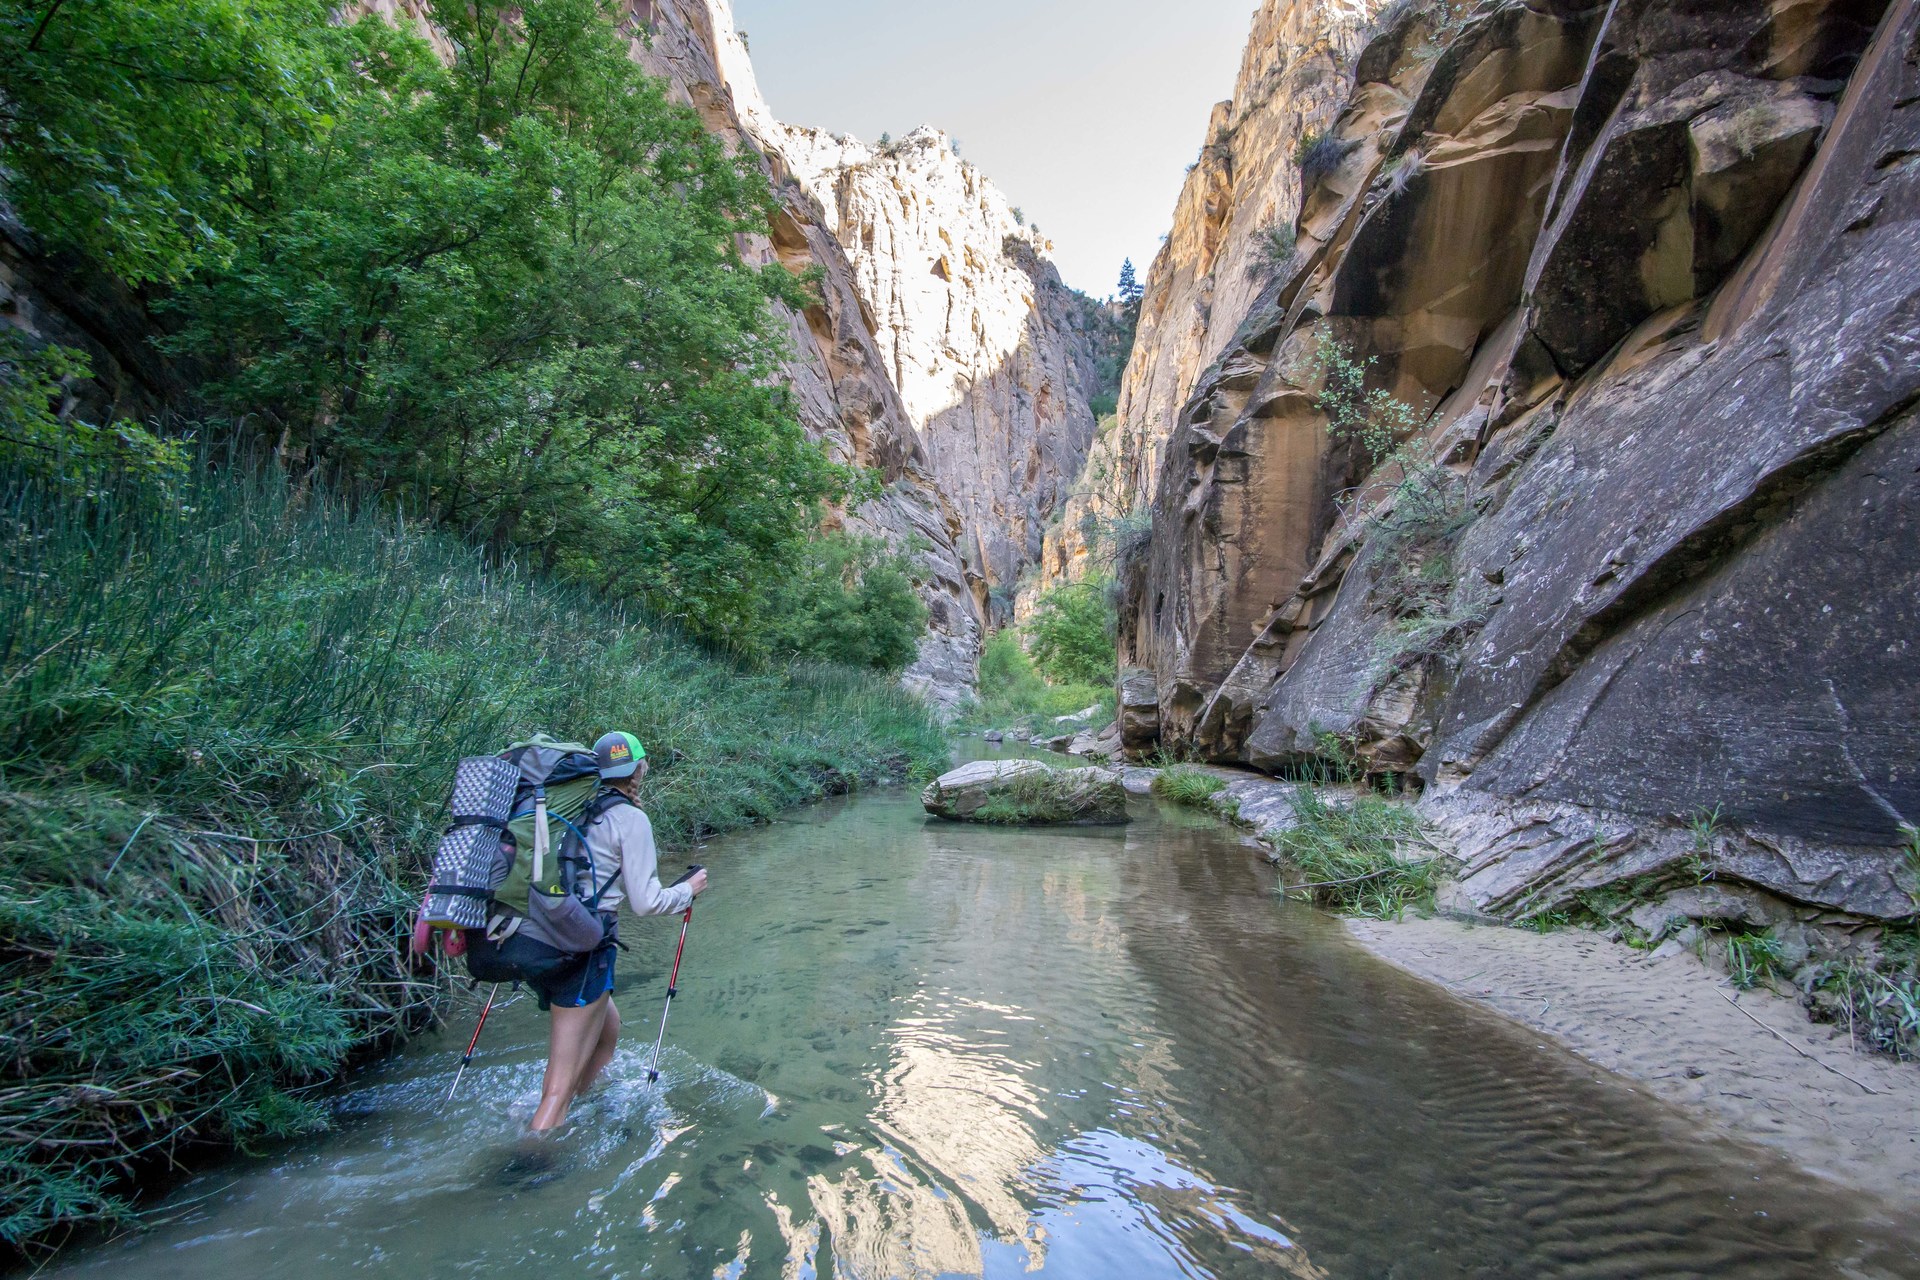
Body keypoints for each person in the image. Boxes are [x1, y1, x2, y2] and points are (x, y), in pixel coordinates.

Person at [527, 730, 708, 1131]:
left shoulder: (571, 807)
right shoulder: (629, 818)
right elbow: (646, 902)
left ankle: (582, 1107)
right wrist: (686, 890)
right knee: (556, 1086)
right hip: (585, 948)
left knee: (608, 1029)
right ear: (639, 769)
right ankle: (530, 1164)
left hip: (544, 937)